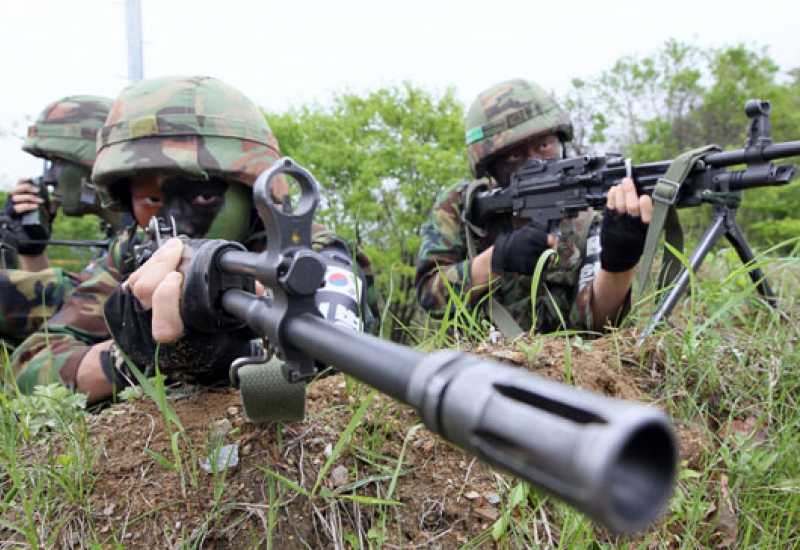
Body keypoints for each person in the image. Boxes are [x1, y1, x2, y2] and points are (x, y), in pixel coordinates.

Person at [11, 75, 372, 404]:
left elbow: (326, 358)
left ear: (252, 193)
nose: (174, 223)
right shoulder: (133, 249)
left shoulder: (304, 253)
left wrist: (229, 346)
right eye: (151, 200)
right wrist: (131, 358)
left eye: (202, 198)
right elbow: (33, 361)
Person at [415, 78, 652, 335]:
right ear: (490, 165)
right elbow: (430, 296)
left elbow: (596, 323)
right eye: (515, 156)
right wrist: (496, 260)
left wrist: (618, 265)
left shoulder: (584, 220)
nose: (536, 163)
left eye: (543, 145)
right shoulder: (461, 207)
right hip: (475, 365)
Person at [0, 95, 124, 348]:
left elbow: (83, 307)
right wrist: (31, 247)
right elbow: (48, 316)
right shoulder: (119, 231)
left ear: (93, 163)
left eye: (57, 162)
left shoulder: (146, 226)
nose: (48, 178)